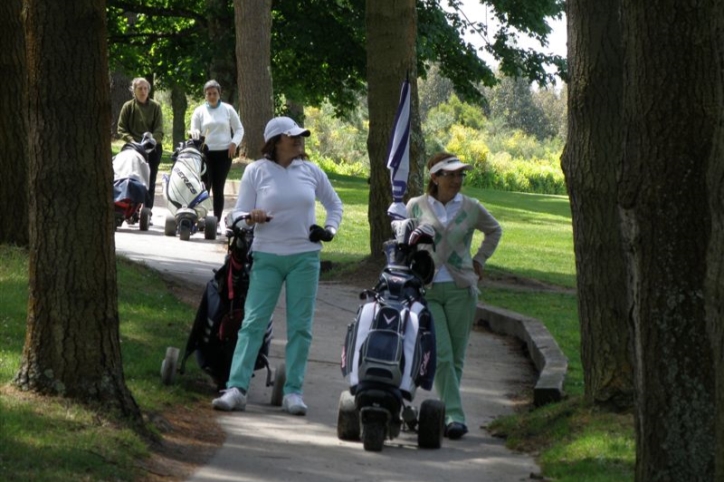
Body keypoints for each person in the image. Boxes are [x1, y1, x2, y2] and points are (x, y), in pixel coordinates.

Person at [212, 116, 343, 415]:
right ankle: (237, 388)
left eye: (300, 136)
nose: (299, 140)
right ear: (274, 141)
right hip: (268, 255)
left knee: (300, 327)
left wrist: (329, 230)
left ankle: (293, 392)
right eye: (291, 136)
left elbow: (335, 205)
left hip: (305, 257)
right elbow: (236, 215)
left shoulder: (311, 171)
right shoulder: (257, 171)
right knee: (253, 322)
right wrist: (251, 216)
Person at [405, 152, 502, 440]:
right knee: (442, 355)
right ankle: (457, 416)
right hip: (429, 289)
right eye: (450, 175)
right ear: (434, 177)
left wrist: (480, 260)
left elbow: (494, 231)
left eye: (460, 175)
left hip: (462, 290)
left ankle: (443, 417)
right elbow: (404, 239)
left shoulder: (471, 207)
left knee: (456, 358)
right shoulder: (416, 206)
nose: (457, 180)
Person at [189, 80, 244, 226]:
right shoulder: (199, 111)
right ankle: (201, 218)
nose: (212, 96)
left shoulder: (228, 109)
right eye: (209, 94)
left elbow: (239, 129)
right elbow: (194, 129)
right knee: (204, 186)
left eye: (214, 93)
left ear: (219, 94)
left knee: (218, 188)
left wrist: (234, 143)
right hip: (205, 154)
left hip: (224, 154)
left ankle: (216, 221)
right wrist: (195, 134)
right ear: (205, 95)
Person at [117, 77, 164, 213]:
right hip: (133, 148)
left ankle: (147, 210)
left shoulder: (155, 107)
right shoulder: (128, 106)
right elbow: (121, 129)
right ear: (134, 90)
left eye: (145, 88)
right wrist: (132, 141)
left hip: (152, 148)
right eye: (140, 88)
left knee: (151, 179)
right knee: (132, 177)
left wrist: (151, 141)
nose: (143, 91)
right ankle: (132, 207)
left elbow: (159, 130)